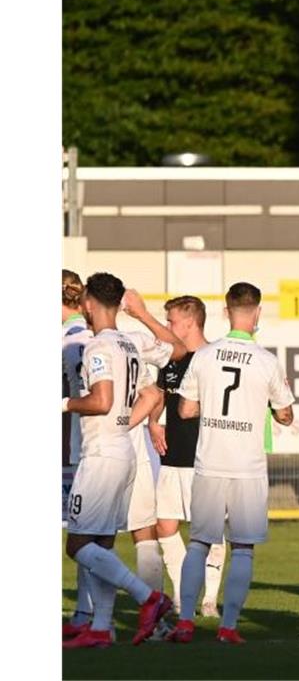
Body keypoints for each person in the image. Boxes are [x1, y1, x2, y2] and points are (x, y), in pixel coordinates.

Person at [166, 283, 295, 644]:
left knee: (198, 543)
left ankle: (186, 623)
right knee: (242, 548)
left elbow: (185, 409)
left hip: (209, 463)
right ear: (257, 313)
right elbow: (285, 416)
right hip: (247, 469)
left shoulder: (205, 357)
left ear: (226, 312)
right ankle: (228, 627)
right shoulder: (267, 361)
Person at [62, 272, 172, 649]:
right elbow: (163, 371)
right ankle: (100, 629)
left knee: (77, 545)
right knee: (102, 545)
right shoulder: (129, 343)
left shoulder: (97, 348)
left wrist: (62, 403)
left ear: (89, 303)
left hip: (101, 455)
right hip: (122, 449)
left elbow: (102, 400)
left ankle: (148, 597)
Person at [147, 295, 226, 618]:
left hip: (205, 458)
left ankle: (209, 600)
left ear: (191, 323)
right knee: (164, 526)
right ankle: (183, 594)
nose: (168, 327)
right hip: (171, 456)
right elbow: (158, 396)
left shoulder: (213, 358)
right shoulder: (171, 362)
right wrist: (153, 422)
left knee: (209, 532)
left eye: (172, 321)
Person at [119, 289, 187, 604]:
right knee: (148, 531)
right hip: (131, 450)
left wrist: (143, 315)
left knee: (88, 541)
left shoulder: (117, 340)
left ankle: (93, 616)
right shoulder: (130, 340)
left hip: (109, 451)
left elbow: (178, 350)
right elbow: (153, 394)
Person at [62, 271, 95, 638]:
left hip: (70, 448)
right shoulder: (92, 336)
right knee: (87, 535)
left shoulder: (66, 340)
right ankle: (86, 614)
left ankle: (87, 615)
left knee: (81, 538)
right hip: (90, 447)